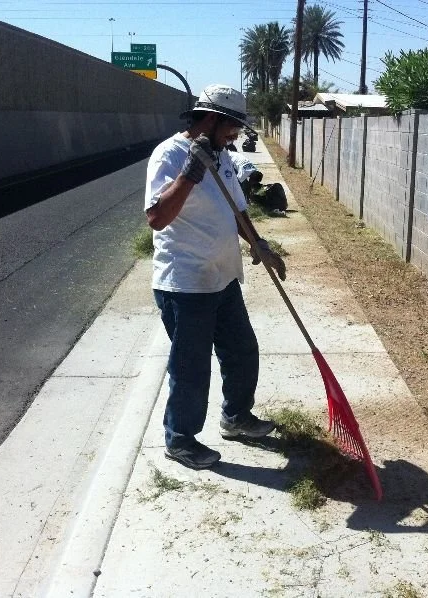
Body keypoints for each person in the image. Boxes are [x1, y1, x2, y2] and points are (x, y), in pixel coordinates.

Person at [144, 84, 287, 470]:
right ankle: (180, 439)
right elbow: (157, 218)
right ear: (210, 119)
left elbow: (237, 209)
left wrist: (260, 245)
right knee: (191, 367)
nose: (235, 134)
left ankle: (236, 418)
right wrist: (191, 171)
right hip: (186, 284)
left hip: (222, 278)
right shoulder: (171, 155)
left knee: (242, 351)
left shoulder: (221, 154)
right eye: (231, 126)